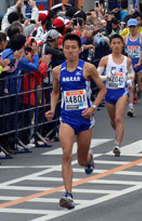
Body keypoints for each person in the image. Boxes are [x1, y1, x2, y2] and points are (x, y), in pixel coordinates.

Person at [45, 33, 107, 209]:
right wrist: (51, 108)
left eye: (73, 47)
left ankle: (88, 159)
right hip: (67, 117)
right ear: (62, 49)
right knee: (66, 153)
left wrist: (93, 107)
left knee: (81, 159)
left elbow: (102, 90)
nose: (70, 51)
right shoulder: (57, 71)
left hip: (85, 118)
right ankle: (68, 195)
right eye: (67, 48)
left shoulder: (88, 68)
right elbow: (56, 92)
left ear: (80, 49)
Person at [97, 34, 134, 156]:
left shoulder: (127, 60)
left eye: (119, 43)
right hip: (109, 92)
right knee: (113, 120)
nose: (117, 46)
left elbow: (131, 73)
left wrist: (129, 78)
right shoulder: (105, 60)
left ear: (122, 45)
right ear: (111, 45)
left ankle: (117, 144)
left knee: (119, 118)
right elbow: (96, 76)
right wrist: (106, 77)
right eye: (114, 43)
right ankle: (118, 131)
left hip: (121, 91)